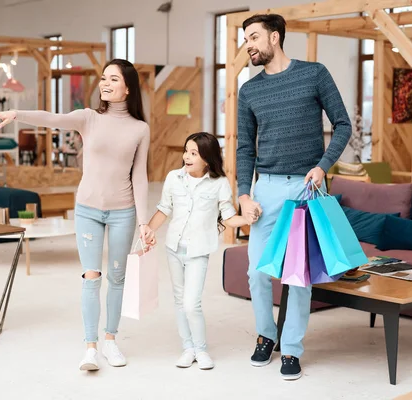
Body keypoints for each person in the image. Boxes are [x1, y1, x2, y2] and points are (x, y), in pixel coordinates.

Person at [0, 59, 153, 372]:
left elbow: (140, 177)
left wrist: (144, 222)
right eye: (103, 78)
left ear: (128, 88)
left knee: (117, 278)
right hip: (88, 210)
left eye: (113, 79)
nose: (104, 83)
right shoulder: (88, 118)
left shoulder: (140, 129)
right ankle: (90, 348)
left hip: (123, 212)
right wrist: (15, 114)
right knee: (92, 277)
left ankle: (111, 341)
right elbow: (52, 118)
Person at [237, 14, 351, 380]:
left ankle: (292, 349)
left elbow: (343, 124)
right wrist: (243, 194)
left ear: (275, 37)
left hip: (306, 186)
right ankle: (266, 335)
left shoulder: (314, 74)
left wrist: (323, 166)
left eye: (253, 37)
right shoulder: (249, 91)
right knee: (256, 271)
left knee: (298, 274)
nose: (249, 45)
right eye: (245, 39)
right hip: (266, 188)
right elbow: (244, 147)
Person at [145, 132, 250, 370]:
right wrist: (149, 230)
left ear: (207, 158)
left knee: (192, 303)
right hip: (173, 247)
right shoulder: (174, 178)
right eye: (186, 151)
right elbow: (164, 209)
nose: (187, 156)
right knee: (180, 301)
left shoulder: (219, 183)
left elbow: (229, 216)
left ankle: (201, 350)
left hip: (198, 251)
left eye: (194, 153)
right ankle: (188, 348)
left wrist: (248, 219)